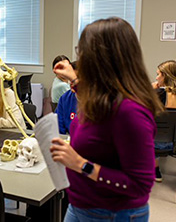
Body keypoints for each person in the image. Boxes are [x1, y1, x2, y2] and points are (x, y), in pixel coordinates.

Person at [50, 17, 164, 222]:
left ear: (101, 59)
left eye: (82, 52)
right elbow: (97, 100)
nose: (80, 59)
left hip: (111, 214)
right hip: (80, 205)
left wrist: (80, 164)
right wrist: (72, 79)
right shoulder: (103, 96)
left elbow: (140, 184)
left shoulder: (130, 112)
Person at [151, 60, 176, 182]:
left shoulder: (157, 94)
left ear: (164, 76)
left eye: (158, 74)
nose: (156, 77)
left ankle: (155, 171)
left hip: (156, 143)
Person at [56, 61, 78, 134]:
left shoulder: (95, 102)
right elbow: (59, 129)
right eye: (70, 78)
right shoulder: (65, 99)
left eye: (75, 78)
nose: (71, 82)